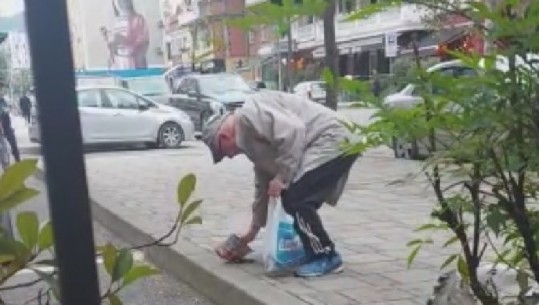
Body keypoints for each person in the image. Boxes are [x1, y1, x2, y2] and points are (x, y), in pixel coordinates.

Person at [202, 91, 359, 277]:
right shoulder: (250, 141)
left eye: (224, 153)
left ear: (224, 137)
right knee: (294, 198)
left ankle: (326, 256)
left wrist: (282, 177)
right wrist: (250, 234)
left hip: (333, 138)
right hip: (332, 140)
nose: (229, 156)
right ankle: (311, 250)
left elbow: (294, 131)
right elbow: (263, 187)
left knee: (297, 198)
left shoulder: (248, 115)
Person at [100, 0, 149, 69]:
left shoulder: (138, 20)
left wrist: (125, 41)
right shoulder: (116, 21)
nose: (122, 4)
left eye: (124, 1)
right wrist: (109, 40)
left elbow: (143, 42)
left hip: (134, 62)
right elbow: (112, 47)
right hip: (119, 62)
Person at [0, 85, 21, 163]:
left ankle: (18, 161)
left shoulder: (4, 100)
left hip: (7, 125)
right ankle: (6, 166)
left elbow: (11, 109)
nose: (1, 91)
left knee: (14, 145)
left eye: (1, 89)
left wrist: (9, 109)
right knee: (3, 148)